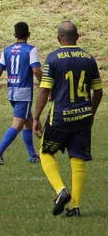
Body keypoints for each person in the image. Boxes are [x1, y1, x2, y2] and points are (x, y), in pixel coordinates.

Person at [32, 21, 103, 217]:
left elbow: (45, 89)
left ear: (58, 39)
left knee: (46, 153)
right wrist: (92, 113)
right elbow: (98, 91)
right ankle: (75, 206)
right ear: (78, 36)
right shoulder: (89, 58)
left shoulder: (54, 58)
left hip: (60, 117)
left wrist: (36, 117)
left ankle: (61, 190)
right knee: (77, 158)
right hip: (83, 117)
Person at [0, 22, 42, 165]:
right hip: (23, 92)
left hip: (11, 91)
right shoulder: (31, 50)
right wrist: (45, 85)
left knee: (28, 122)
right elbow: (36, 70)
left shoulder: (7, 50)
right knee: (17, 125)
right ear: (29, 34)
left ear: (14, 35)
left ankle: (32, 155)